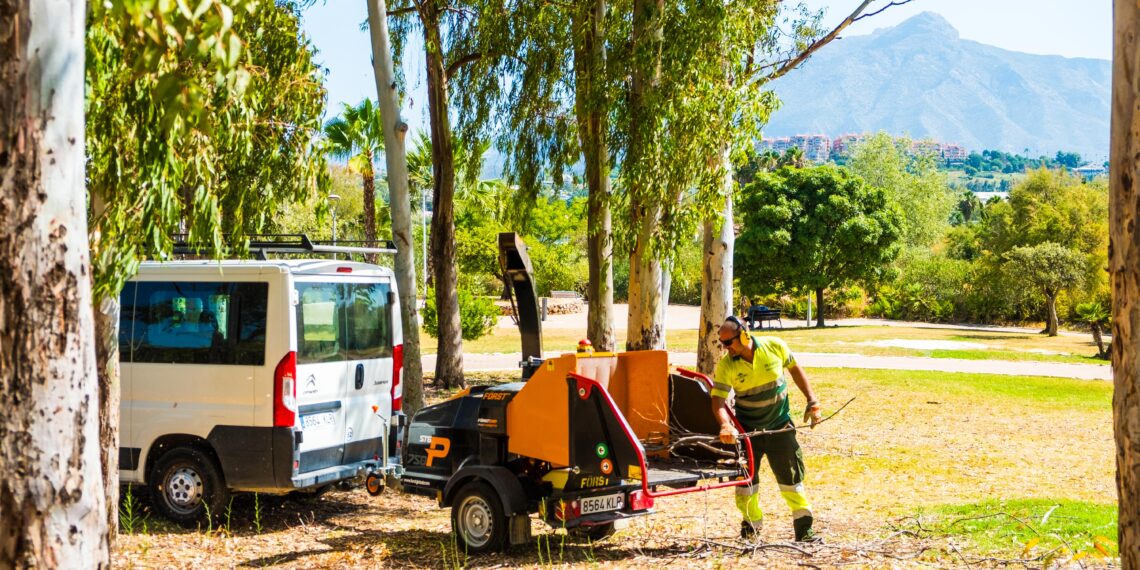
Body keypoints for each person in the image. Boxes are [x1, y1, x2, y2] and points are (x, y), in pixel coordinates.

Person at [711, 315, 822, 542]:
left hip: (780, 428)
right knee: (746, 483)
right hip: (748, 432)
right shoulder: (727, 365)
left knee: (792, 479)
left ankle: (804, 528)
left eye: (728, 343)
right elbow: (718, 401)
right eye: (722, 344)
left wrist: (813, 402)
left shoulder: (775, 346)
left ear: (744, 335)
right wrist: (725, 425)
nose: (725, 349)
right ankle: (751, 527)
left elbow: (795, 369)